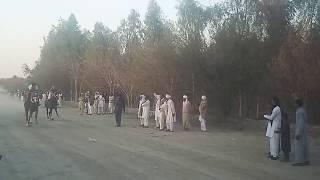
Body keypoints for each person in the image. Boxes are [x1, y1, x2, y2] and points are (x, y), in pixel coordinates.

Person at [292, 98, 310, 166]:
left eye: (295, 103)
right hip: (304, 131)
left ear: (297, 104)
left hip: (300, 131)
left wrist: (298, 133)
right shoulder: (303, 110)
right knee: (305, 146)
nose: (294, 104)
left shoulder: (299, 111)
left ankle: (299, 161)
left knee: (298, 146)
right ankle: (306, 159)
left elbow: (301, 122)